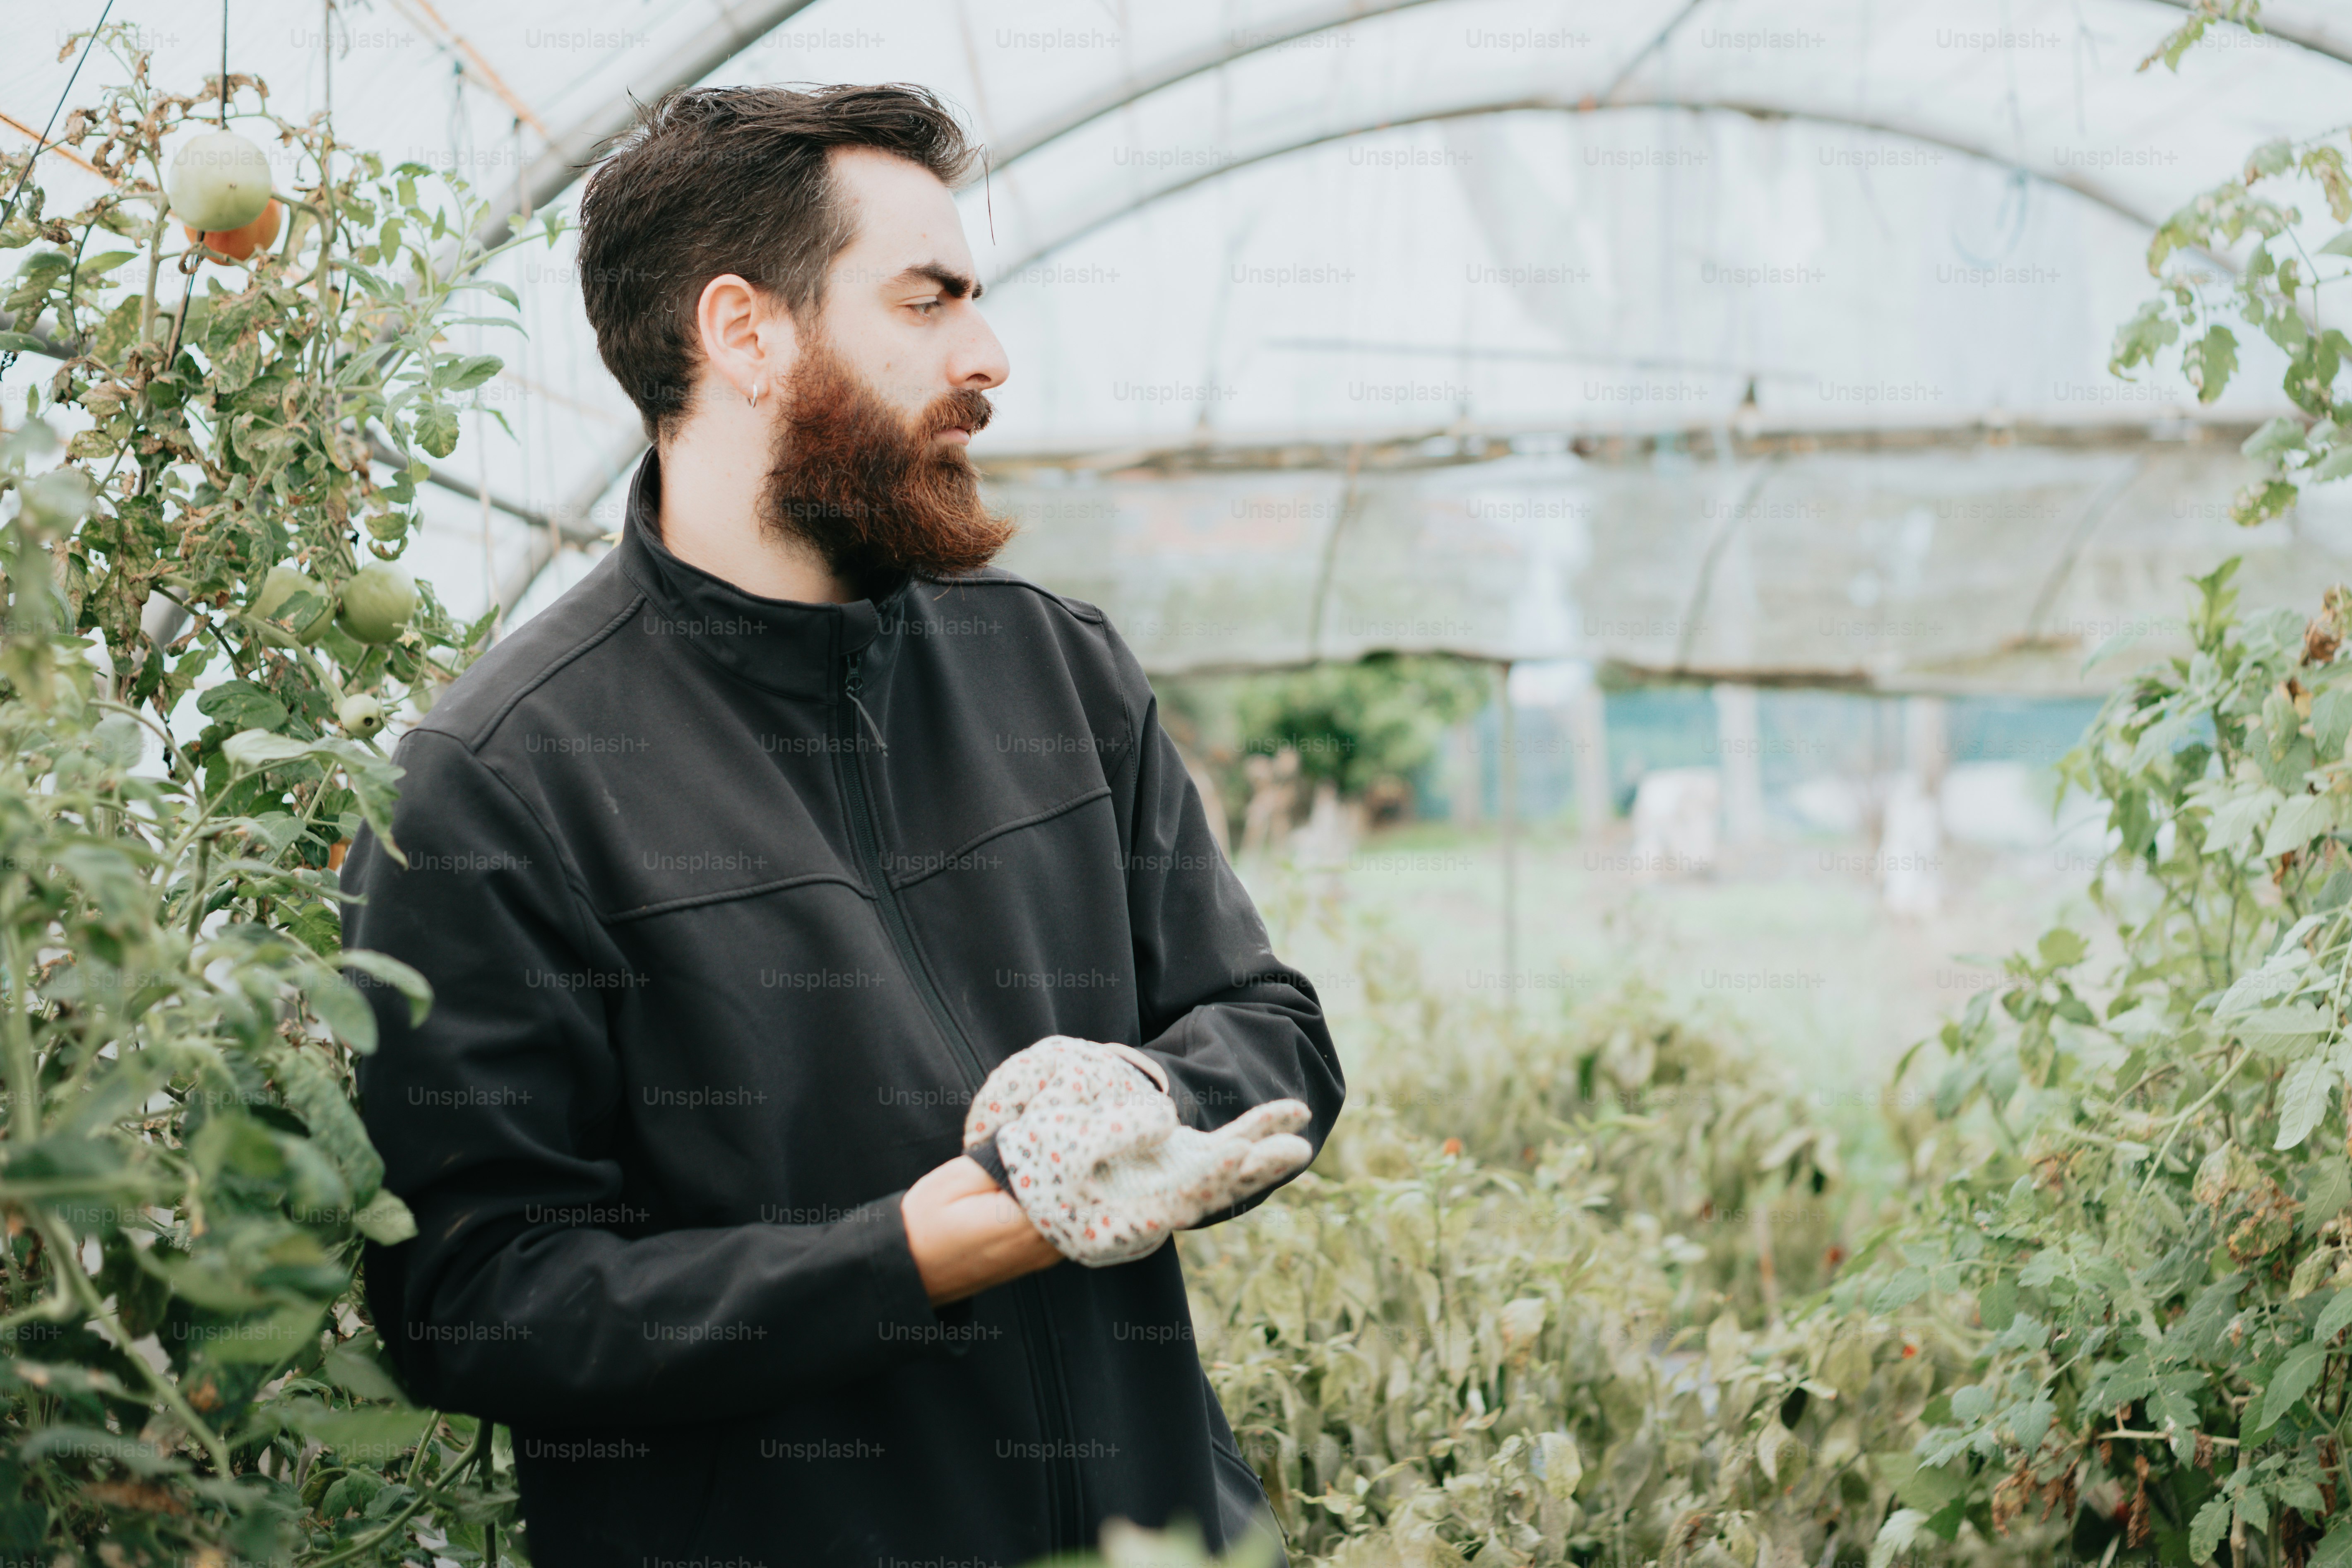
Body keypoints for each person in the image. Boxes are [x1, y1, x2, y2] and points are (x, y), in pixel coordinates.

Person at [343, 82, 1344, 1566]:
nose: (988, 357)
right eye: (928, 301)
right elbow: (480, 1301)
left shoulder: (1051, 670)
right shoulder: (502, 778)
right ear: (745, 333)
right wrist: (911, 1255)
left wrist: (1128, 1101)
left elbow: (1268, 1027)